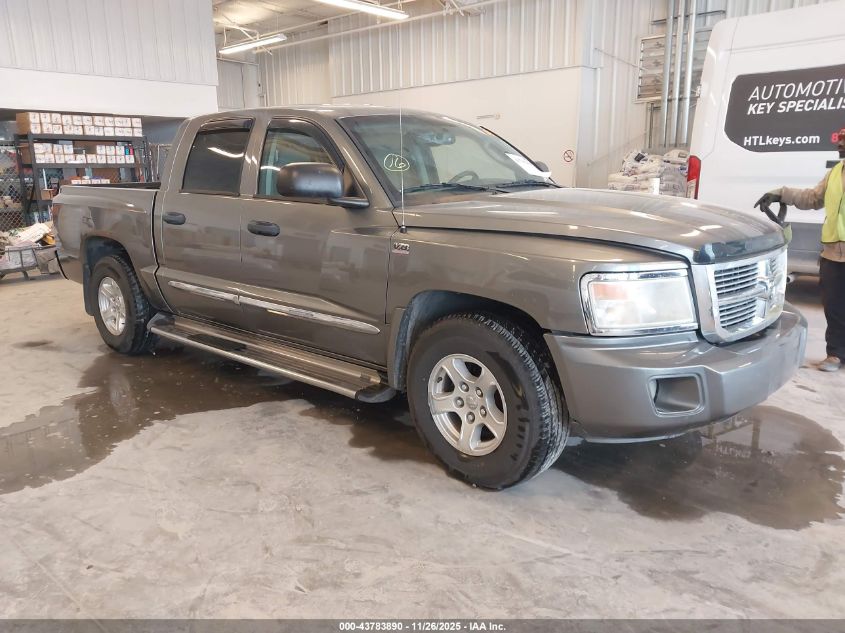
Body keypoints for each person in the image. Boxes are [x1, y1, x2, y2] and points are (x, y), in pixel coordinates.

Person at [755, 128, 845, 372]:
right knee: (835, 307)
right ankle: (835, 354)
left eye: (844, 140)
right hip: (833, 253)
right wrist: (781, 194)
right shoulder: (836, 172)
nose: (838, 144)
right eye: (839, 139)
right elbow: (813, 198)